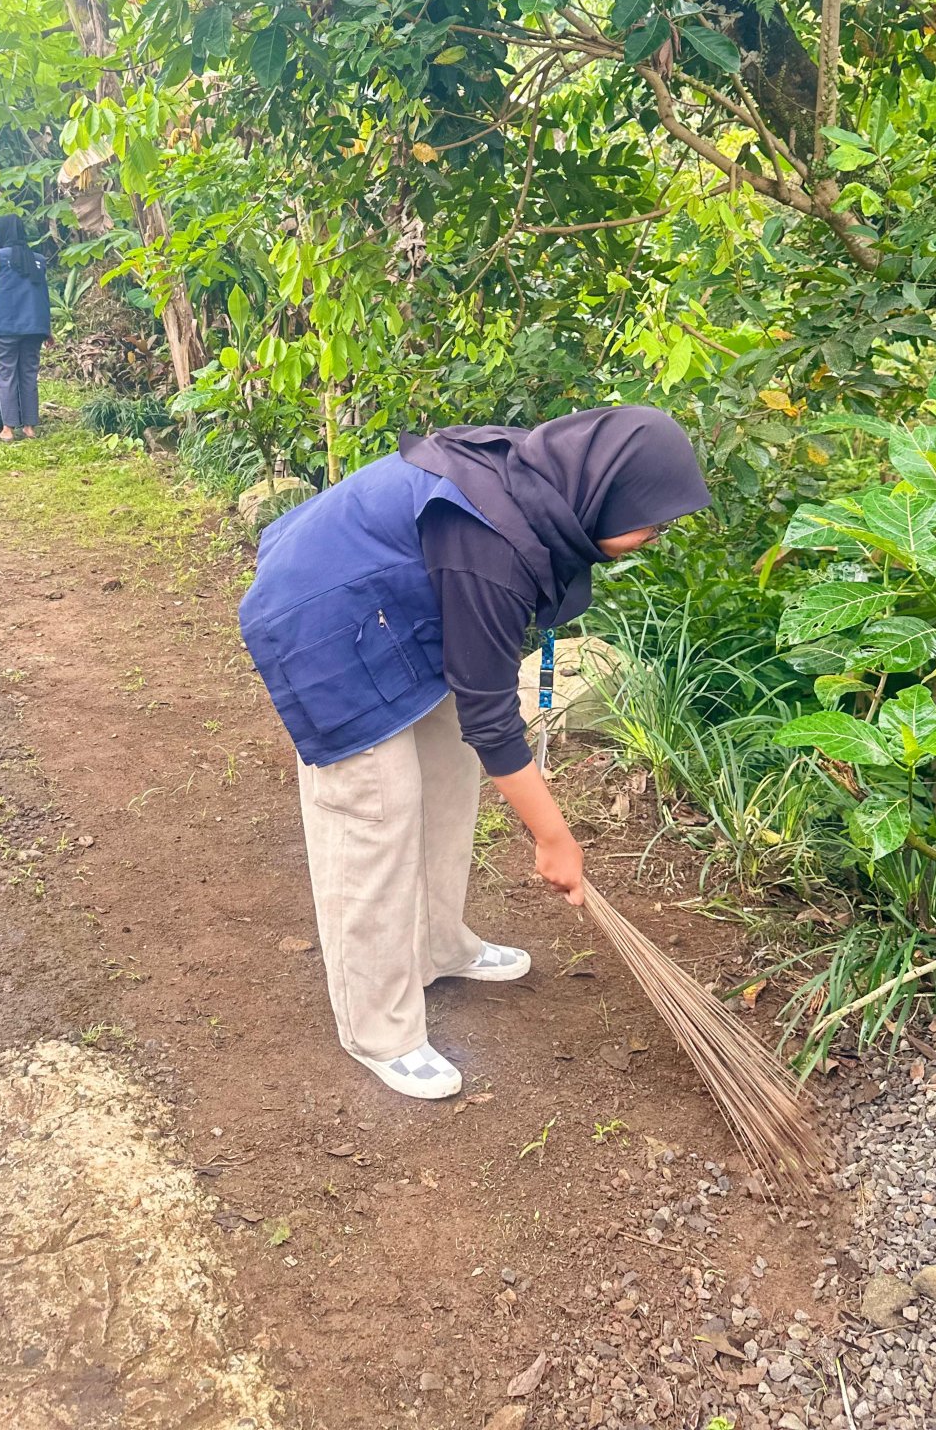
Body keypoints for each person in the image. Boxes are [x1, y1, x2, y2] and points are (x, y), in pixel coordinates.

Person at [238, 407, 710, 1100]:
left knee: (449, 771)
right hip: (324, 618)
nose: (654, 537)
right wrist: (554, 839)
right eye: (652, 521)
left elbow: (481, 701)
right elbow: (494, 717)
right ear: (607, 491)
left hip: (395, 611)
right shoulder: (490, 537)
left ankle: (436, 944)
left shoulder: (548, 492)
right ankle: (379, 1027)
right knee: (377, 804)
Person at [0, 213, 51, 442]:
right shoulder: (38, 260)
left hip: (4, 327)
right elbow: (41, 296)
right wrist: (47, 329)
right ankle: (29, 427)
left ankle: (8, 429)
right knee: (28, 375)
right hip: (34, 328)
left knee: (6, 376)